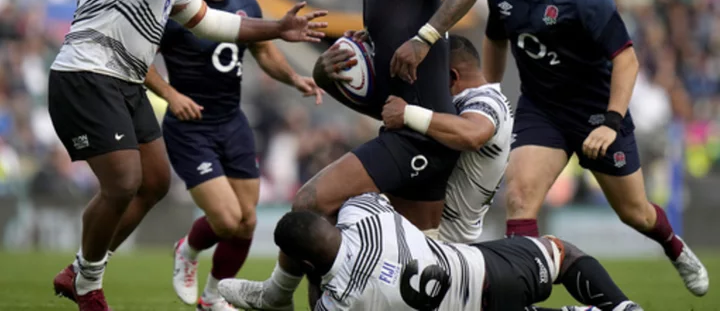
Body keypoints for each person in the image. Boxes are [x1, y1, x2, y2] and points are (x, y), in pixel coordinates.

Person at [49, 0, 327, 311]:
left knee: (154, 183)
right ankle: (88, 283)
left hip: (124, 82)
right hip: (88, 71)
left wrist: (278, 26)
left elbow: (210, 22)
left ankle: (81, 270)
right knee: (123, 182)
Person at [225, 0, 487, 310]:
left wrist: (425, 38)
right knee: (414, 266)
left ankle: (276, 294)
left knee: (310, 205)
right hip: (420, 138)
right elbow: (383, 103)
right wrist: (325, 73)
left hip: (415, 141)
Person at [482, 0, 708, 296]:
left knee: (635, 213)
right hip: (542, 109)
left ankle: (675, 247)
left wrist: (611, 121)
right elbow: (495, 38)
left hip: (596, 112)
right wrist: (487, 92)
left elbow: (626, 59)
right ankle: (518, 296)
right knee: (519, 199)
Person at [140, 0, 325, 311]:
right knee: (226, 221)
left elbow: (264, 52)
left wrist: (294, 78)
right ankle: (188, 248)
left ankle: (212, 297)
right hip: (190, 129)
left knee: (247, 223)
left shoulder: (246, 3)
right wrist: (171, 95)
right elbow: (139, 61)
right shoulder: (171, 10)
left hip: (232, 122)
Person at [219, 193, 644, 311]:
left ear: (308, 267)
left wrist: (313, 275)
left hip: (470, 306)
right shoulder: (366, 215)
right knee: (561, 255)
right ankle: (621, 307)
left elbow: (321, 295)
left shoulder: (339, 302)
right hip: (486, 270)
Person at [381, 35, 512, 243]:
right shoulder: (465, 102)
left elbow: (473, 134)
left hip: (443, 239)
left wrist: (407, 113)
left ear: (452, 77)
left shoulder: (487, 101)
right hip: (428, 230)